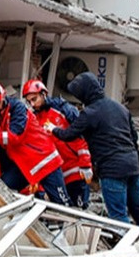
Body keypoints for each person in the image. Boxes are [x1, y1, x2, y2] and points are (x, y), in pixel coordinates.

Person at [48, 71, 139, 227]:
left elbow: (69, 134)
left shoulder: (90, 113)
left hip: (112, 169)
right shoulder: (120, 108)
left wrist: (53, 129)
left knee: (118, 217)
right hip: (132, 166)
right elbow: (134, 138)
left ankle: (127, 249)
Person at [0, 81, 69, 206]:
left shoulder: (18, 109)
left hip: (44, 160)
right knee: (3, 187)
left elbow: (14, 137)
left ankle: (64, 223)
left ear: (3, 98)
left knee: (61, 203)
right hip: (23, 164)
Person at [22, 79, 92, 208]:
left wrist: (85, 164)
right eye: (29, 101)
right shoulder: (35, 119)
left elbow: (81, 136)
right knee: (64, 213)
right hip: (58, 175)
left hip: (76, 171)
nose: (32, 104)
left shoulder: (63, 109)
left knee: (79, 212)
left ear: (44, 94)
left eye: (34, 99)